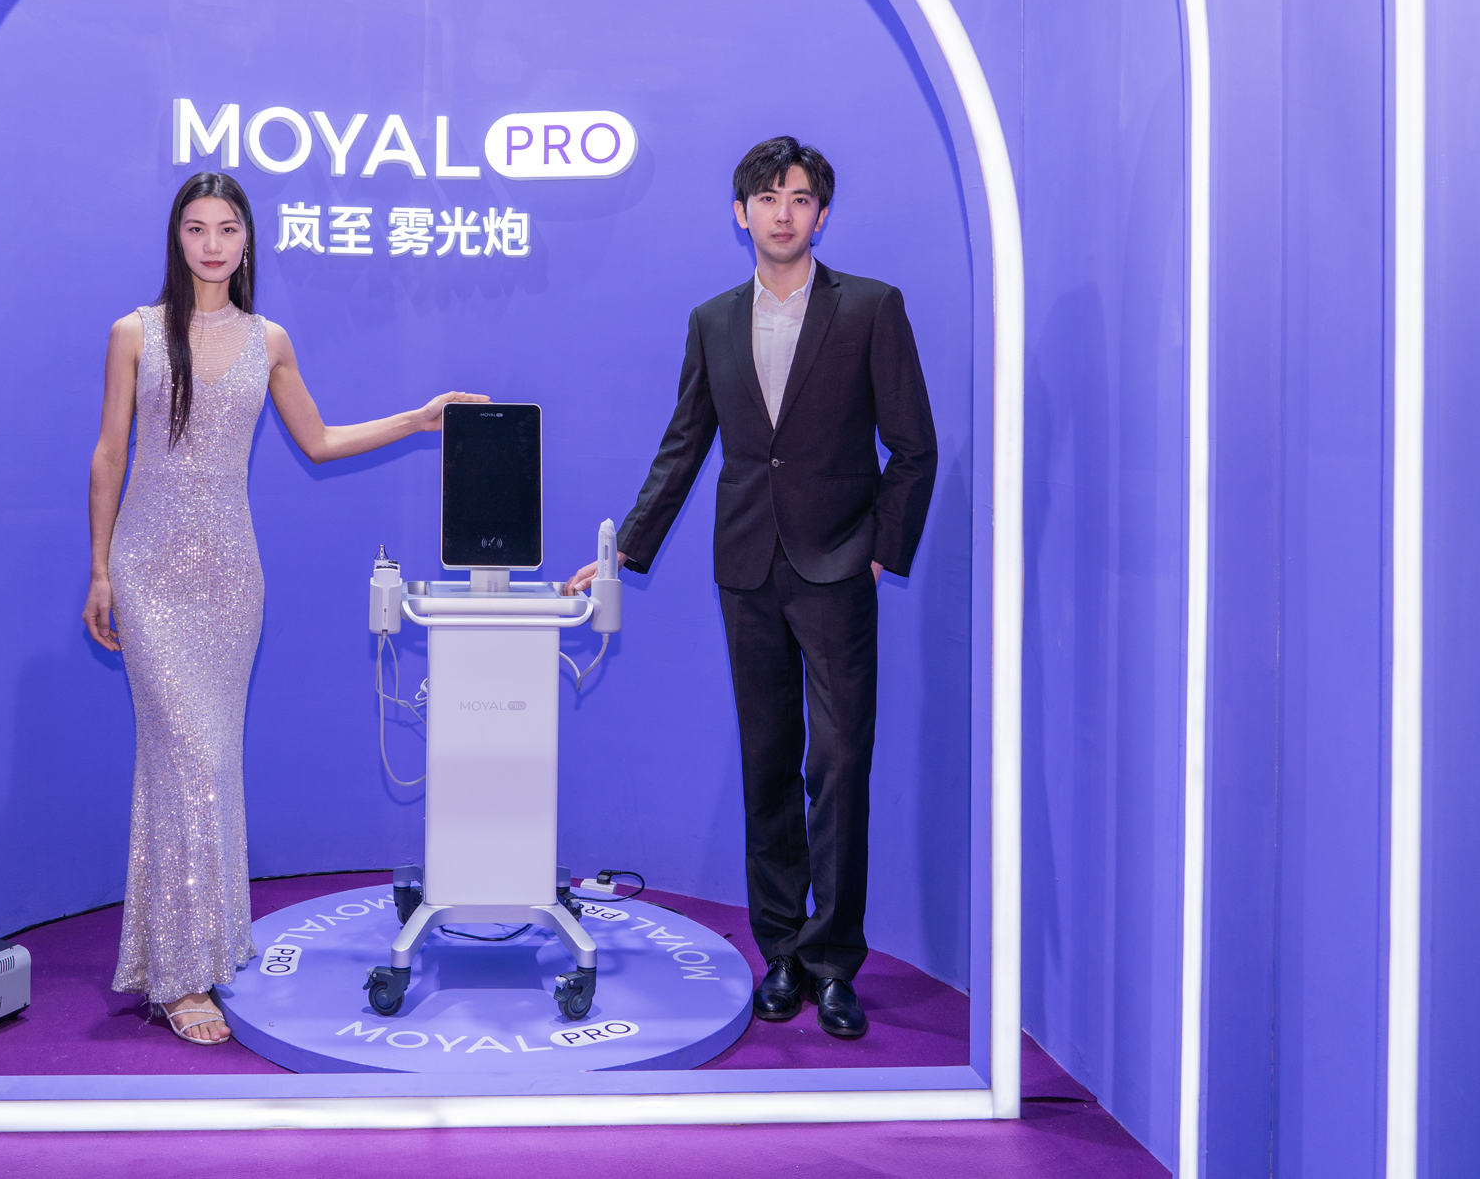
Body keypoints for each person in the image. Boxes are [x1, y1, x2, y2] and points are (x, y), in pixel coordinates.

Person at [83, 172, 483, 1046]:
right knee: (185, 756)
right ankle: (181, 974)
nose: (212, 244)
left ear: (248, 241)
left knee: (207, 762)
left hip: (232, 580)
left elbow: (321, 439)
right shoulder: (134, 333)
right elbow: (109, 454)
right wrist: (100, 569)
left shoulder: (269, 340)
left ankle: (193, 947)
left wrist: (418, 419)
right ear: (176, 237)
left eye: (227, 228)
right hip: (146, 572)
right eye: (197, 228)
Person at [562, 135, 936, 1041]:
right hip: (747, 568)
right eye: (767, 198)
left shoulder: (871, 307)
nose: (782, 212)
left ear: (821, 214)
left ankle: (833, 962)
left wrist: (881, 549)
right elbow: (685, 444)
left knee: (838, 765)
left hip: (838, 566)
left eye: (799, 198)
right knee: (768, 762)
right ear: (741, 214)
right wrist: (623, 551)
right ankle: (782, 952)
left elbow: (913, 446)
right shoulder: (713, 319)